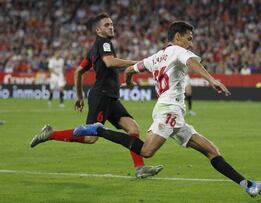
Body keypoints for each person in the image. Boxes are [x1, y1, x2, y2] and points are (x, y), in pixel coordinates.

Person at [72, 21, 261, 198]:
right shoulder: (176, 50)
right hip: (169, 111)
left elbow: (130, 70)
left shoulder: (156, 57)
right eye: (188, 39)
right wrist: (212, 80)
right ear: (177, 37)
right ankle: (99, 130)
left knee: (212, 151)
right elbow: (192, 62)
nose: (190, 44)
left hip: (173, 113)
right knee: (147, 151)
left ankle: (248, 185)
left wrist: (129, 83)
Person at [30, 12, 163, 178]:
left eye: (112, 24)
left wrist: (79, 96)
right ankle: (51, 134)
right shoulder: (104, 43)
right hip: (102, 95)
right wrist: (139, 63)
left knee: (133, 128)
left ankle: (139, 168)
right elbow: (109, 62)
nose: (111, 27)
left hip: (110, 97)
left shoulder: (94, 48)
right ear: (98, 30)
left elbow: (79, 72)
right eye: (107, 25)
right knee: (90, 138)